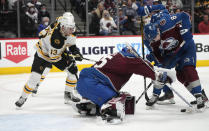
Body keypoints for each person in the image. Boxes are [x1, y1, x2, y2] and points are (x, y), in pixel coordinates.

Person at [73, 45, 173, 124]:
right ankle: (109, 110)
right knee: (119, 97)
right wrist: (160, 77)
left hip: (82, 83)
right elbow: (145, 67)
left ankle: (88, 104)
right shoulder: (129, 59)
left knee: (112, 92)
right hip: (93, 84)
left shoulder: (114, 56)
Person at [15, 13, 83, 108]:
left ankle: (68, 95)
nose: (71, 30)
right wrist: (69, 61)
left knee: (73, 73)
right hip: (42, 55)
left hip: (54, 51)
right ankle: (23, 97)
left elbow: (71, 45)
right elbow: (54, 58)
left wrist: (76, 52)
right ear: (63, 27)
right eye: (69, 28)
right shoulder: (56, 39)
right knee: (34, 79)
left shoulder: (62, 22)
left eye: (72, 28)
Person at [143, 10, 208, 110]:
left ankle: (199, 96)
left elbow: (184, 15)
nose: (155, 40)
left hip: (186, 48)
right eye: (152, 39)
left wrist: (185, 30)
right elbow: (158, 56)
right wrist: (155, 58)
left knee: (188, 68)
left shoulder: (166, 23)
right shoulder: (149, 41)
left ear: (158, 30)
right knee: (173, 75)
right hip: (171, 54)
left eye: (155, 37)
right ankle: (155, 95)